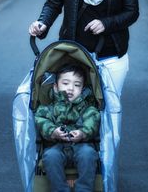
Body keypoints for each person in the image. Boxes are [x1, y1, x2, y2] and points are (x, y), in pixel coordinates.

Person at [29, 0, 139, 192]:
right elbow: (54, 3)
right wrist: (42, 24)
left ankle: (106, 174)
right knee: (70, 105)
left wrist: (107, 23)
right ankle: (74, 167)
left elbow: (132, 12)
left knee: (109, 114)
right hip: (74, 58)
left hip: (111, 55)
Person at [34, 63, 101, 192]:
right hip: (56, 146)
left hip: (81, 145)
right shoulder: (48, 108)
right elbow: (41, 121)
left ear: (82, 89)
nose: (71, 88)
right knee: (50, 156)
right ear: (55, 87)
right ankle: (60, 189)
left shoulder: (88, 108)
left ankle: (84, 189)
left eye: (77, 85)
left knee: (89, 154)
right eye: (65, 83)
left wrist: (83, 133)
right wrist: (53, 132)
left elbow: (93, 120)